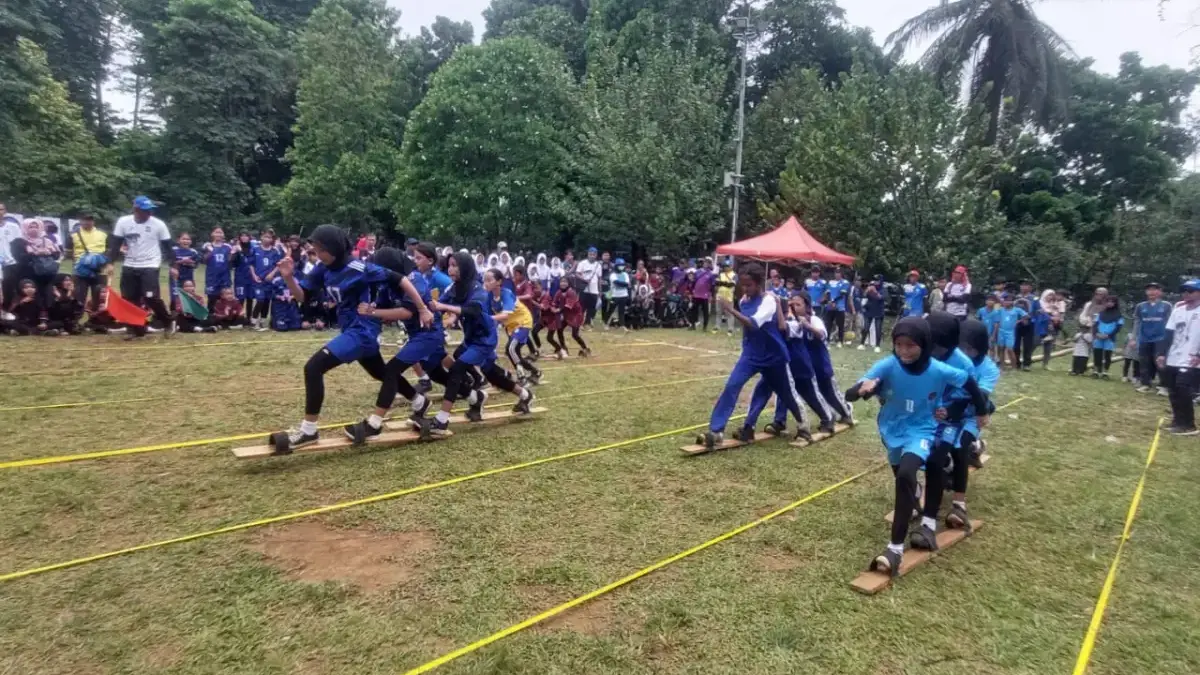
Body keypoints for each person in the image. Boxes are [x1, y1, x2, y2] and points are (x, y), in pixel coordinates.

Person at [845, 317, 989, 575]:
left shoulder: (939, 368)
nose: (904, 351)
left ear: (925, 343)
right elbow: (851, 393)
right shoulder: (889, 364)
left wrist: (981, 410)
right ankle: (914, 500)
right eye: (899, 344)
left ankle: (896, 548)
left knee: (908, 472)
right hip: (892, 429)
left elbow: (969, 382)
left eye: (911, 345)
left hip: (924, 429)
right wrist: (864, 388)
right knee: (902, 476)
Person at [272, 226, 433, 451]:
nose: (317, 253)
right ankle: (419, 401)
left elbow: (401, 280)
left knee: (313, 367)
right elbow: (302, 297)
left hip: (362, 331)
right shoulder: (322, 268)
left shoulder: (359, 268)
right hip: (350, 330)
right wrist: (289, 277)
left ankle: (309, 430)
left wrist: (422, 309)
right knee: (381, 373)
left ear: (334, 248)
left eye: (320, 249)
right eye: (315, 249)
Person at [343, 245, 452, 442]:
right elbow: (383, 306)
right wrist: (374, 310)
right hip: (416, 335)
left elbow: (406, 312)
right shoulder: (389, 283)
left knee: (392, 370)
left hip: (429, 334)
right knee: (399, 371)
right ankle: (422, 402)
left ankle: (374, 424)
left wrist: (372, 312)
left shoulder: (414, 280)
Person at [425, 253, 536, 436]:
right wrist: (425, 309)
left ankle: (442, 420)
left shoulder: (477, 289)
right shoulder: (454, 287)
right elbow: (438, 304)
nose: (450, 269)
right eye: (449, 265)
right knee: (491, 374)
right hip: (471, 337)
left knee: (457, 368)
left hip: (484, 339)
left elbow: (472, 310)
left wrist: (446, 309)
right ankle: (524, 395)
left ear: (466, 267)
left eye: (455, 265)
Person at [700, 263, 807, 448]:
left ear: (759, 284)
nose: (745, 288)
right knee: (732, 386)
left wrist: (730, 310)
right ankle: (716, 431)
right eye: (743, 285)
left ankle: (803, 427)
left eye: (749, 285)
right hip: (751, 354)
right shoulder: (744, 300)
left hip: (774, 356)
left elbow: (754, 324)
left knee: (787, 394)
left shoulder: (769, 301)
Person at [744, 294, 839, 440]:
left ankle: (827, 418)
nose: (792, 307)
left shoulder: (797, 323)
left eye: (795, 305)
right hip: (778, 365)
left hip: (800, 367)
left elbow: (783, 327)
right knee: (767, 391)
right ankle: (768, 423)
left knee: (810, 395)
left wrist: (778, 306)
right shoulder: (771, 321)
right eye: (790, 305)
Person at [796, 293, 854, 425]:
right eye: (792, 304)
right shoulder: (793, 321)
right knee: (814, 394)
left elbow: (822, 334)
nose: (795, 307)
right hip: (806, 365)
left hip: (820, 364)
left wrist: (807, 325)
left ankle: (846, 411)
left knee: (830, 392)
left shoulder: (814, 320)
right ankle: (828, 415)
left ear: (807, 307)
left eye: (798, 304)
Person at [1156, 279, 1200, 435]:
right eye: (1184, 291)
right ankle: (1177, 420)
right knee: (1173, 389)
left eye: (1191, 291)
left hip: (1192, 357)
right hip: (1174, 355)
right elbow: (1169, 333)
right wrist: (1162, 353)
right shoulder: (1178, 310)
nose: (1186, 294)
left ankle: (1188, 424)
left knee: (1183, 388)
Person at [485, 268, 543, 384]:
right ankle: (536, 372)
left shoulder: (506, 293)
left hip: (523, 322)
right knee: (512, 352)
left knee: (511, 348)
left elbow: (504, 315)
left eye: (489, 280)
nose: (485, 283)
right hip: (511, 325)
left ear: (499, 282)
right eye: (484, 280)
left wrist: (487, 318)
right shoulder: (489, 296)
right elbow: (488, 314)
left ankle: (522, 378)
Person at [11, 218, 62, 311]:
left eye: (36, 227)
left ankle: (46, 315)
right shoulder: (18, 242)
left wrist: (48, 252)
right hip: (28, 275)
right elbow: (19, 257)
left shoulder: (47, 241)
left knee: (47, 296)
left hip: (46, 275)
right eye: (30, 227)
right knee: (31, 298)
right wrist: (35, 253)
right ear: (25, 228)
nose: (34, 229)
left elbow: (57, 256)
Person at [1134, 282, 1171, 394]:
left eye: (1155, 289)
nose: (1152, 292)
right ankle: (1145, 384)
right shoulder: (1140, 306)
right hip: (1144, 338)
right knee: (1144, 362)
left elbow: (1171, 322)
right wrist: (1133, 337)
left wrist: (1169, 338)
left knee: (1160, 362)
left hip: (1161, 338)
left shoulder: (1166, 305)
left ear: (1160, 292)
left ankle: (1164, 386)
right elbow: (1137, 322)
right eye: (1149, 289)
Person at [69, 213, 109, 312]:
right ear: (80, 221)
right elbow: (69, 252)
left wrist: (103, 262)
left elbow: (109, 251)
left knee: (99, 297)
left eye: (90, 220)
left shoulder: (103, 234)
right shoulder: (73, 234)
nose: (87, 222)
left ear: (93, 221)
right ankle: (77, 317)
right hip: (80, 271)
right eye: (85, 220)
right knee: (79, 297)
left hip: (99, 270)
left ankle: (96, 317)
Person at [249, 229, 282, 330]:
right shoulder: (255, 249)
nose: (267, 239)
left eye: (270, 237)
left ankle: (263, 321)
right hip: (258, 280)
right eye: (265, 237)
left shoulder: (275, 251)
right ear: (261, 237)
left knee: (267, 300)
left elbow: (278, 265)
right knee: (260, 299)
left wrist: (272, 274)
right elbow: (251, 264)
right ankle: (254, 320)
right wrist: (254, 275)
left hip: (269, 280)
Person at [552, 275, 590, 357]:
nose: (563, 283)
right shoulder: (559, 292)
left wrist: (558, 310)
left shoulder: (571, 292)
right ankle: (564, 348)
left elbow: (568, 306)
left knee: (574, 334)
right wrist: (552, 308)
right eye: (561, 282)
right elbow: (554, 303)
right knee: (559, 329)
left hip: (576, 315)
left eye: (565, 282)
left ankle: (585, 348)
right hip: (567, 314)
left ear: (568, 283)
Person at [1091, 295, 1124, 379]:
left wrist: (1108, 335)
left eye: (1112, 302)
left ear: (1115, 303)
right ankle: (1095, 372)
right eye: (1108, 301)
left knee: (1107, 356)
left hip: (1110, 338)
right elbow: (1095, 324)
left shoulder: (1119, 315)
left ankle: (1105, 373)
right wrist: (1097, 334)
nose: (1109, 303)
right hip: (1098, 337)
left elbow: (1118, 328)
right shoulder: (1101, 313)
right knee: (1097, 354)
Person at [513, 264, 542, 358]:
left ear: (522, 274)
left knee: (523, 332)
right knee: (521, 332)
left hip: (526, 312)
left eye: (516, 274)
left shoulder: (526, 284)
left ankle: (528, 351)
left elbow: (529, 295)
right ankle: (532, 351)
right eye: (514, 274)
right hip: (518, 311)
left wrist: (516, 297)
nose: (514, 276)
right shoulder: (516, 283)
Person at [1012, 281, 1041, 371]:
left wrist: (1029, 318)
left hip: (1029, 323)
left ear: (1030, 288)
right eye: (1022, 285)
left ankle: (1026, 364)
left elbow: (1038, 310)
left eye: (1026, 285)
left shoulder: (1034, 298)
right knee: (1015, 344)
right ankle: (1016, 363)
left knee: (1028, 344)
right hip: (1017, 323)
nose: (1024, 287)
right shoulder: (1016, 297)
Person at [994, 294, 1027, 369]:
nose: (1007, 302)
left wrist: (1019, 321)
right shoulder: (1000, 310)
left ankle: (1014, 367)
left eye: (1009, 301)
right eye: (1006, 301)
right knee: (1001, 348)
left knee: (1010, 349)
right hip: (1001, 331)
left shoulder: (1017, 310)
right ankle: (1002, 366)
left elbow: (1026, 316)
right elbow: (997, 321)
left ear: (1012, 302)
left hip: (1010, 332)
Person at [169, 232, 200, 312]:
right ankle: (174, 314)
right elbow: (171, 263)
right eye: (183, 239)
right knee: (175, 297)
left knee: (189, 296)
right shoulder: (173, 250)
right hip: (176, 278)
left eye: (188, 239)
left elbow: (196, 265)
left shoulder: (193, 252)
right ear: (178, 240)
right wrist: (182, 261)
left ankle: (188, 314)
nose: (186, 241)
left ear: (191, 241)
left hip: (188, 278)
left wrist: (190, 263)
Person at [0, 204, 22, 313]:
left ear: (5, 211)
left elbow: (19, 244)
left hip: (10, 262)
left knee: (8, 288)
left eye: (1, 209)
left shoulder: (13, 227)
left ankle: (7, 311)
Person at [575, 247, 602, 326]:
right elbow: (577, 274)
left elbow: (599, 278)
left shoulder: (598, 265)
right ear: (588, 254)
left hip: (594, 290)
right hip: (584, 289)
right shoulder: (582, 263)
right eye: (590, 254)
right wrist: (584, 279)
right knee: (582, 307)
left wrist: (600, 290)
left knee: (591, 308)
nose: (592, 256)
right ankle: (579, 322)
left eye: (594, 254)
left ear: (596, 255)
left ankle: (587, 323)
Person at [825, 268, 851, 347]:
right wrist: (829, 301)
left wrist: (834, 301)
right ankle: (827, 340)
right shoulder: (830, 282)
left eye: (839, 273)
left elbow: (842, 294)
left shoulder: (845, 282)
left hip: (839, 307)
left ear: (841, 274)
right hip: (830, 306)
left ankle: (840, 341)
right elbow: (828, 293)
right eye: (836, 272)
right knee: (828, 324)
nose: (837, 274)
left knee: (840, 325)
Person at [859, 280, 885, 352]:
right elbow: (864, 296)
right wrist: (867, 290)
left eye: (877, 281)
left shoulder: (883, 289)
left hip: (879, 312)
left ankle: (877, 346)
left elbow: (881, 298)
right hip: (869, 311)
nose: (875, 284)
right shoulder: (870, 288)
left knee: (878, 329)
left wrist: (875, 291)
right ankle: (862, 344)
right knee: (866, 328)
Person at [608, 258, 632, 331]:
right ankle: (607, 324)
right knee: (611, 310)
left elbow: (627, 284)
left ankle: (622, 325)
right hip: (614, 295)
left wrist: (623, 284)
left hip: (624, 295)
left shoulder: (625, 274)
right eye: (619, 265)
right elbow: (616, 282)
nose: (621, 267)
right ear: (616, 266)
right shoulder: (612, 275)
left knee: (621, 311)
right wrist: (624, 284)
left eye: (622, 265)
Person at [690, 258, 713, 332]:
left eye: (708, 263)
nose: (706, 264)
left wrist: (711, 295)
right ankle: (693, 325)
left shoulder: (711, 273)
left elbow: (712, 285)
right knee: (694, 310)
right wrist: (692, 290)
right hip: (696, 294)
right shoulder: (698, 271)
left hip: (705, 295)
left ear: (709, 264)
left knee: (705, 311)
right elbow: (693, 281)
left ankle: (705, 327)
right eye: (705, 262)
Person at [975, 294, 1000, 360]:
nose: (990, 302)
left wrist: (993, 336)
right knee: (982, 348)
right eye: (989, 300)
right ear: (986, 301)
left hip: (991, 333)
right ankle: (982, 361)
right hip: (982, 333)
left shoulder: (996, 312)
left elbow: (996, 324)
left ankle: (992, 361)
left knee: (991, 348)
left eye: (992, 300)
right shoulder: (981, 310)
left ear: (995, 302)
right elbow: (977, 320)